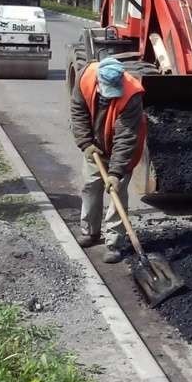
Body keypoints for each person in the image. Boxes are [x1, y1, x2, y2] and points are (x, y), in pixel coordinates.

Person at [70, 56, 147, 263]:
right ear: (98, 81)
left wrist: (115, 173)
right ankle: (90, 232)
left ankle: (114, 243)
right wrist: (85, 143)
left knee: (117, 193)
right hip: (94, 145)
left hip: (123, 150)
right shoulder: (85, 78)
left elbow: (126, 137)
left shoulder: (131, 95)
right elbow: (78, 113)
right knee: (90, 186)